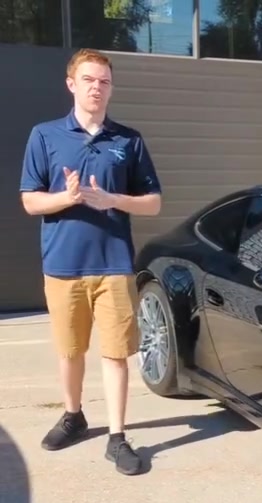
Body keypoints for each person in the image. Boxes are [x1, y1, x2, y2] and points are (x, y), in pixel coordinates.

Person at [19, 48, 162, 476]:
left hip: (114, 265)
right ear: (71, 84)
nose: (96, 87)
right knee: (70, 351)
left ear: (111, 88)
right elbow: (30, 201)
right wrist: (67, 197)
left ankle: (117, 438)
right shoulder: (44, 135)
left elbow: (153, 203)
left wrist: (111, 199)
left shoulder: (128, 140)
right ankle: (73, 416)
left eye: (104, 81)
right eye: (88, 80)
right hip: (63, 266)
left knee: (116, 354)